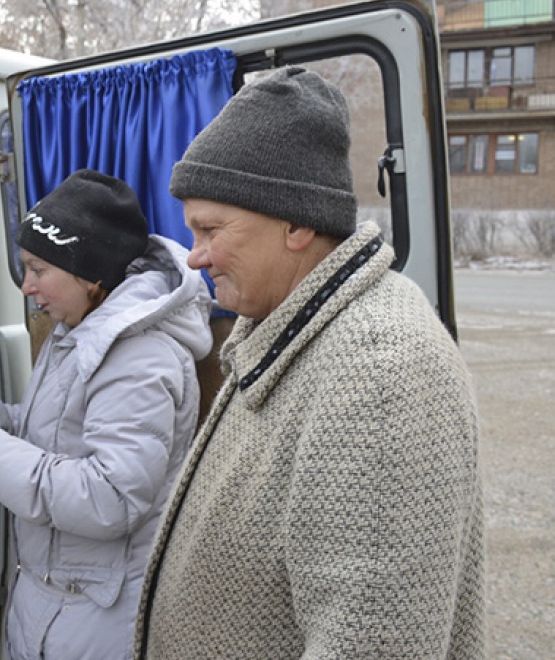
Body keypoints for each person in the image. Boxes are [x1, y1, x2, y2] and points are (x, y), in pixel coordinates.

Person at [134, 67, 485, 658]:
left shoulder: (382, 373)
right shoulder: (285, 320)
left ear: (296, 222)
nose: (194, 257)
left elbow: (372, 643)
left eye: (210, 229)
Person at [0, 169, 213, 660]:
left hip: (98, 614)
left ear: (90, 273)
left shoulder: (141, 358)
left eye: (39, 268)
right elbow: (52, 435)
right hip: (55, 597)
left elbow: (109, 498)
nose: (26, 286)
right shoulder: (77, 330)